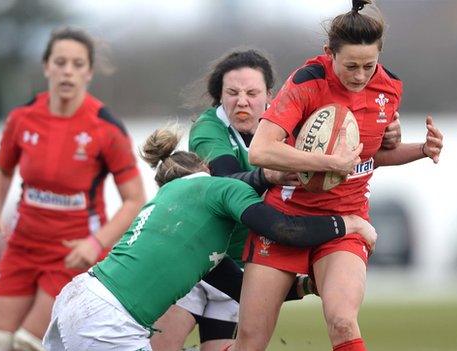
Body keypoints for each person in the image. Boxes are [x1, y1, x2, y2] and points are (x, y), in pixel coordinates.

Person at [151, 49, 403, 351]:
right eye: (232, 92)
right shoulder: (210, 129)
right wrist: (268, 176)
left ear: (270, 95)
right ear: (219, 96)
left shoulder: (292, 122)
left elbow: (346, 148)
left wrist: (385, 132)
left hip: (239, 266)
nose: (242, 101)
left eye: (252, 92)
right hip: (195, 264)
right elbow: (226, 185)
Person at [42, 127, 378, 351]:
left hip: (77, 296)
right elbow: (282, 229)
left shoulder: (170, 202)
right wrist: (349, 224)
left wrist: (305, 286)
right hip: (110, 320)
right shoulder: (217, 187)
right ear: (207, 169)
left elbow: (238, 288)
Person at [232, 1, 444, 351]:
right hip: (284, 221)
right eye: (350, 66)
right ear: (328, 53)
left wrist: (422, 149)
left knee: (343, 321)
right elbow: (261, 151)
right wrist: (328, 163)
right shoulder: (307, 82)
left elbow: (368, 157)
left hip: (346, 223)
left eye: (369, 66)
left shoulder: (389, 89)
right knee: (251, 341)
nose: (360, 76)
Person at [0, 27, 146, 351]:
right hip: (21, 246)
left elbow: (135, 199)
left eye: (78, 64)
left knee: (29, 344)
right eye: (61, 62)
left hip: (70, 253)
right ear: (46, 66)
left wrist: (96, 243)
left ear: (89, 72)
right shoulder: (22, 118)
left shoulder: (106, 128)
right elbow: (1, 171)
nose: (68, 71)